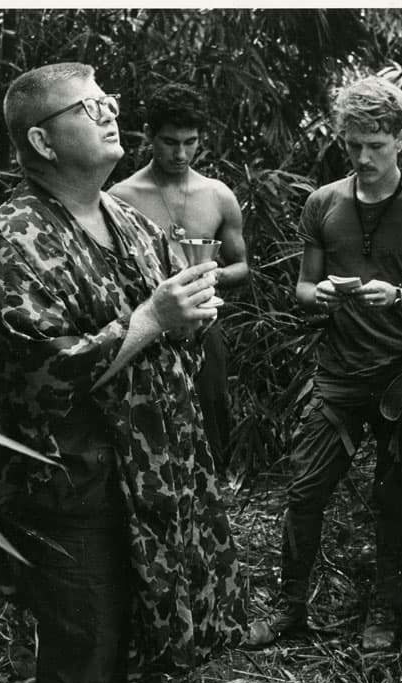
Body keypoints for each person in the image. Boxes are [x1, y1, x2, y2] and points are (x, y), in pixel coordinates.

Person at [0, 63, 247, 683]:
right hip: (73, 485)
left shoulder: (128, 221)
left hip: (154, 475)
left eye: (109, 100)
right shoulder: (13, 240)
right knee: (86, 640)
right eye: (90, 107)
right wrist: (152, 319)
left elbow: (168, 335)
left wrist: (187, 319)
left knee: (149, 625)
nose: (111, 112)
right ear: (43, 140)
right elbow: (45, 375)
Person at [246, 75, 402, 652]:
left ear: (401, 139)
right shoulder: (323, 203)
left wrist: (398, 298)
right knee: (305, 492)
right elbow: (303, 288)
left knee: (395, 501)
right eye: (353, 145)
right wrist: (326, 294)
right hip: (338, 377)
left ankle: (383, 615)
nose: (363, 157)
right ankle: (290, 607)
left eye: (376, 145)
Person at [109, 84, 249, 474]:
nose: (181, 154)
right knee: (153, 427)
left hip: (205, 326)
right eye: (170, 142)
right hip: (147, 329)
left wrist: (212, 275)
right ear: (150, 135)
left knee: (212, 420)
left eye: (191, 142)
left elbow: (243, 266)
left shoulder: (218, 195)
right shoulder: (122, 197)